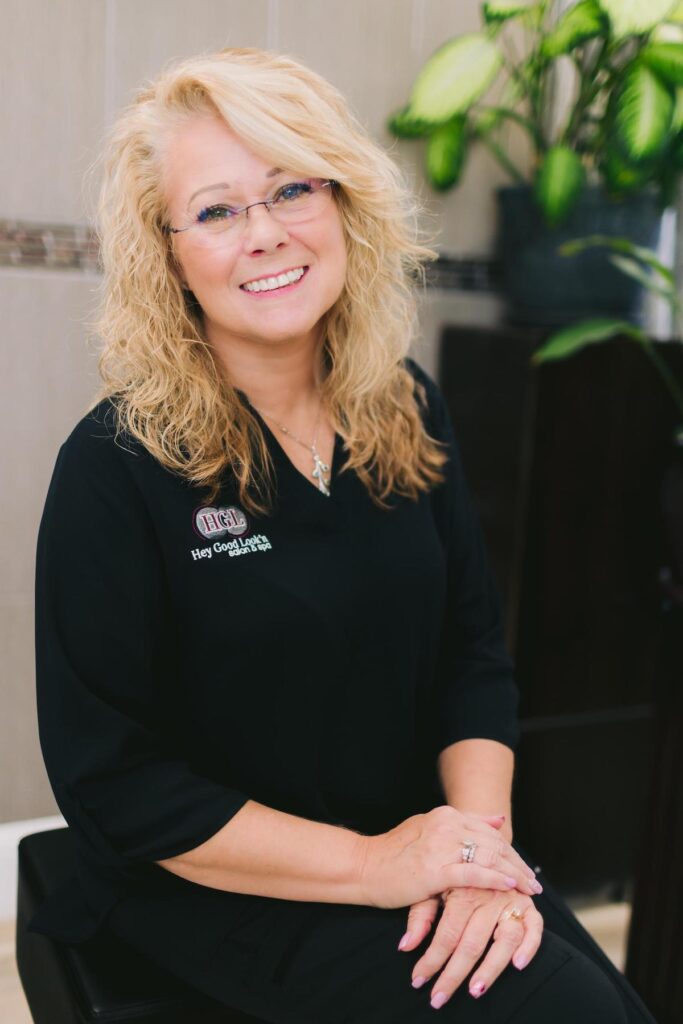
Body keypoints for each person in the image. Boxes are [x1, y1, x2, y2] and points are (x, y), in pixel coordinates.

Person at [29, 47, 654, 1024]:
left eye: (290, 189)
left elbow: (471, 659)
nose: (265, 233)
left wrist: (474, 851)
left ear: (343, 204)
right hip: (212, 887)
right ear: (168, 251)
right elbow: (119, 783)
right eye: (217, 210)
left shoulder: (404, 408)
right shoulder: (114, 467)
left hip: (409, 838)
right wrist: (377, 864)